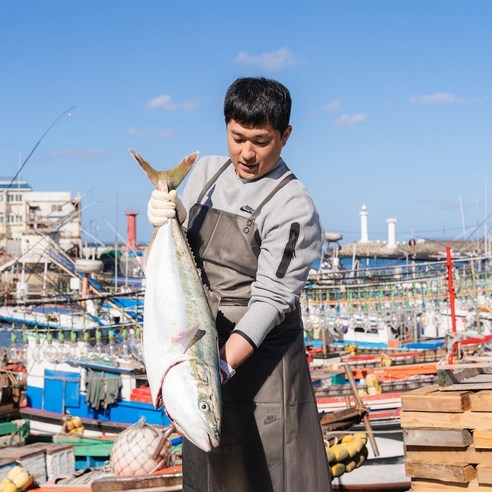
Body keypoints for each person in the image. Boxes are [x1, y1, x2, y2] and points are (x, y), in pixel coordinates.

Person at [147, 77, 332, 492]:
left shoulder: (293, 206)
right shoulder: (207, 173)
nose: (246, 153)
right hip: (201, 337)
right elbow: (177, 262)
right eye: (237, 137)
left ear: (285, 136)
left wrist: (218, 368)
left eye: (261, 141)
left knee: (270, 477)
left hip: (261, 367)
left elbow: (271, 300)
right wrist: (164, 216)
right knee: (210, 473)